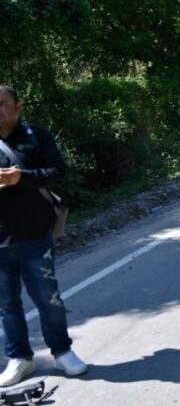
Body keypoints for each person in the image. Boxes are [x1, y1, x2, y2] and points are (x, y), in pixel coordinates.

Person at [0, 85, 86, 386]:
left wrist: (21, 177)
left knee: (49, 301)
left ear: (17, 107)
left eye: (2, 104)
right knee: (6, 305)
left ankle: (62, 351)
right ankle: (20, 359)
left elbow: (59, 171)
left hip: (35, 237)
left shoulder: (36, 137)